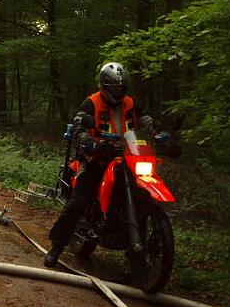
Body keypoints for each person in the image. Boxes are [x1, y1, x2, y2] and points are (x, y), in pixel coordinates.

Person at [44, 62, 180, 268]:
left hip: (127, 157)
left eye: (121, 88)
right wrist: (87, 140)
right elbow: (79, 125)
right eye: (113, 87)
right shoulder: (91, 103)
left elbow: (148, 123)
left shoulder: (131, 104)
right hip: (96, 158)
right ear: (103, 85)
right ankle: (57, 247)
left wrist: (164, 138)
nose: (117, 91)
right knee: (79, 199)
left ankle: (135, 254)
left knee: (141, 196)